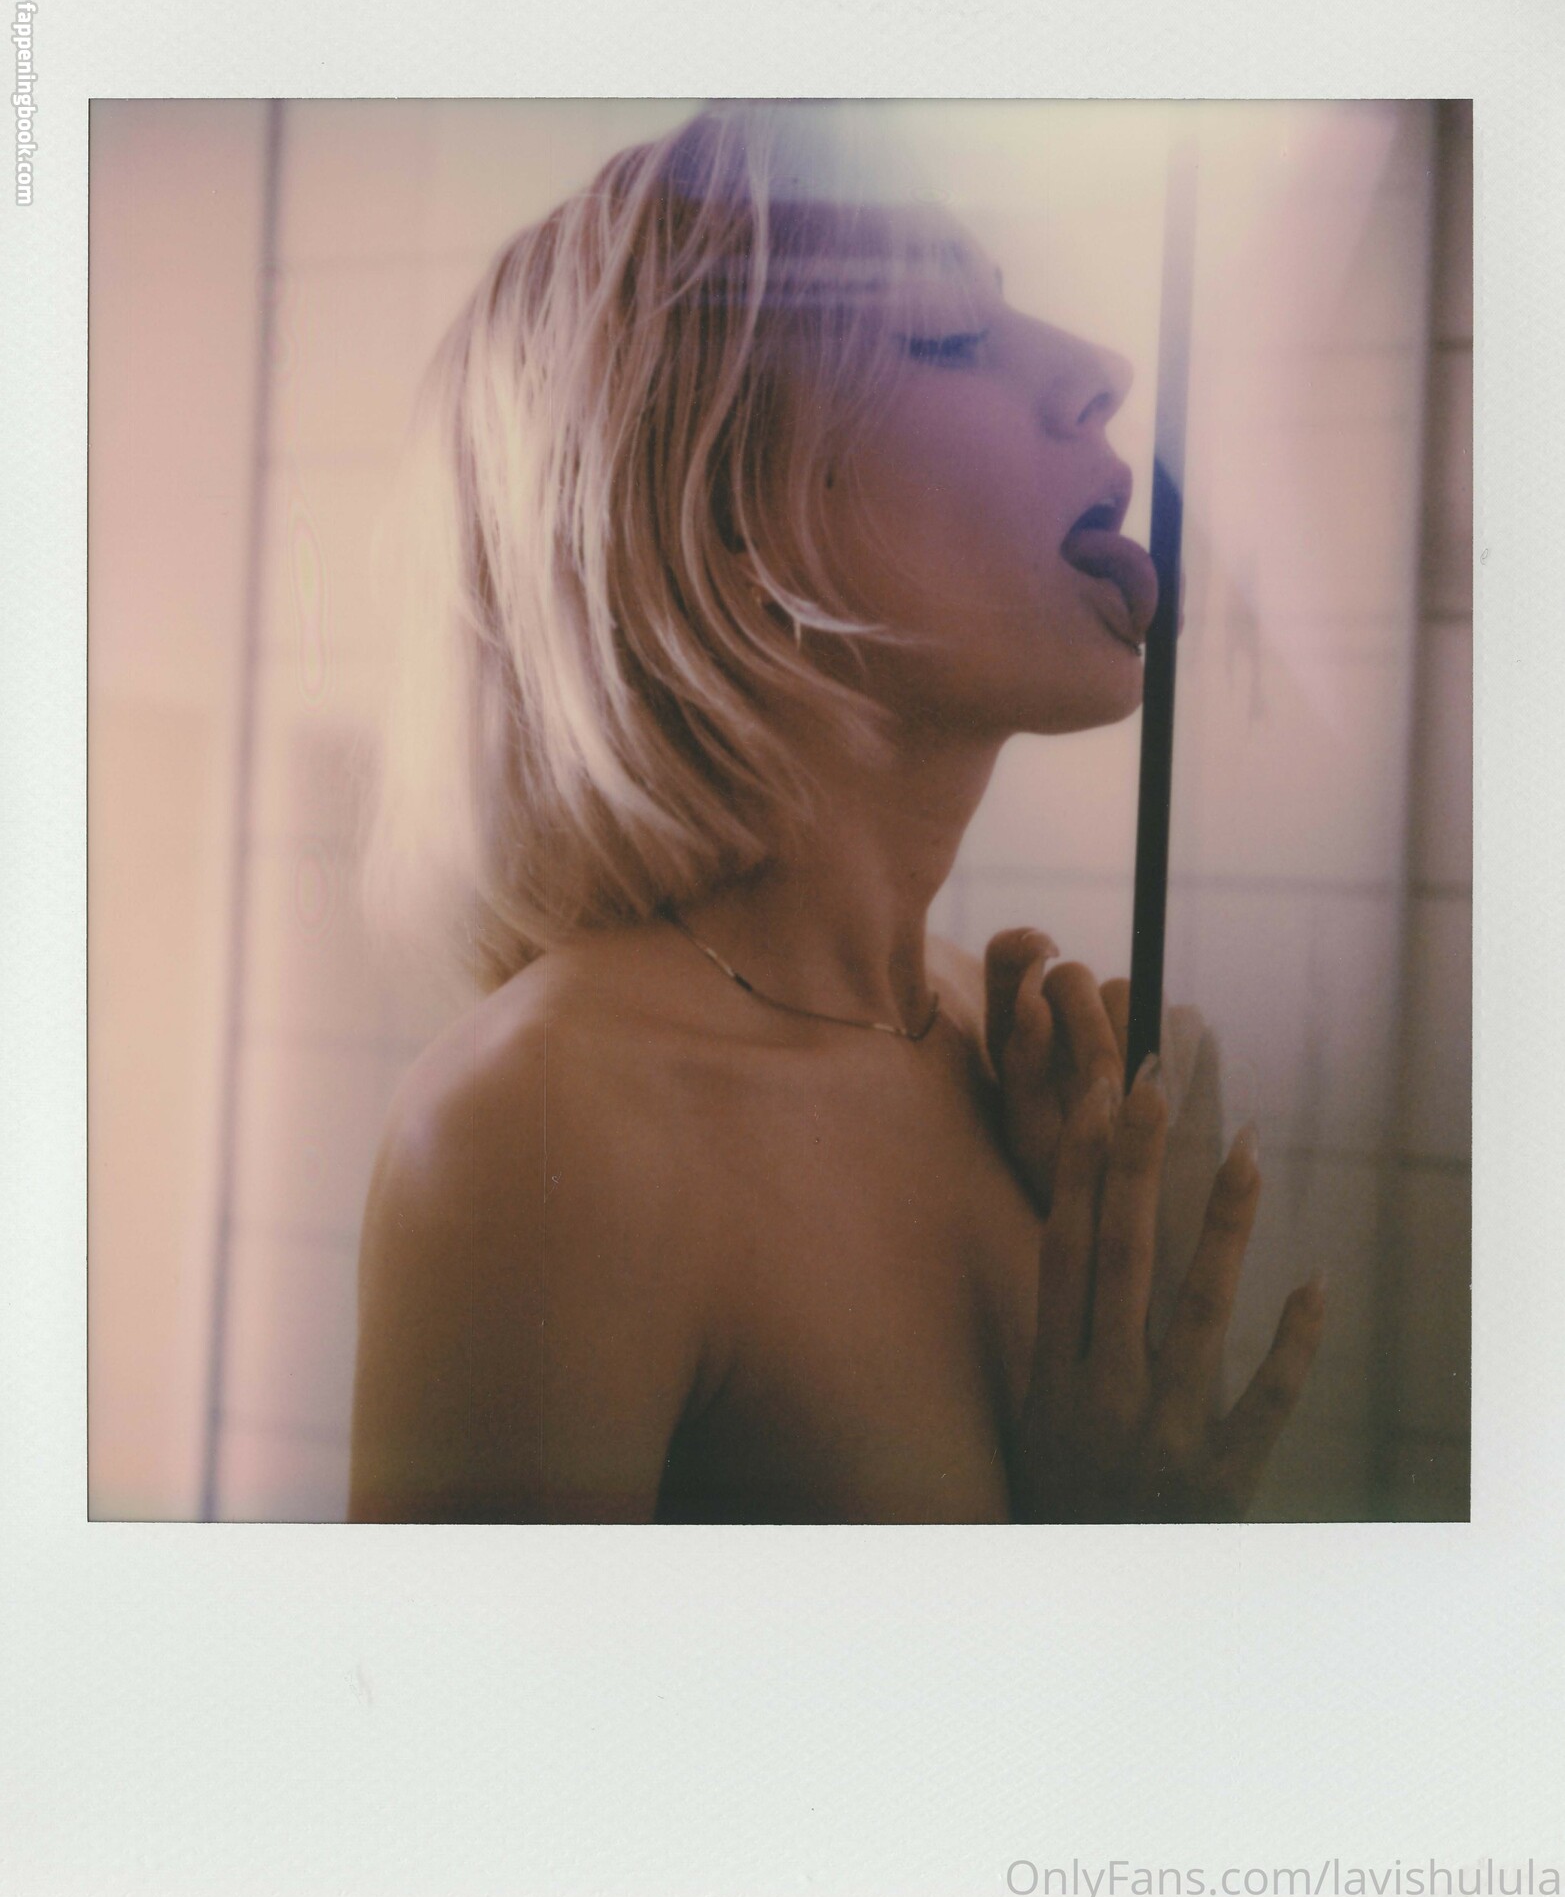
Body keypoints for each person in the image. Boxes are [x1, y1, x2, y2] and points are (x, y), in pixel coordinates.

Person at [348, 101, 1324, 1524]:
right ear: (725, 514)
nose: (1100, 371)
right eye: (949, 335)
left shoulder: (1014, 1073)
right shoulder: (543, 1130)